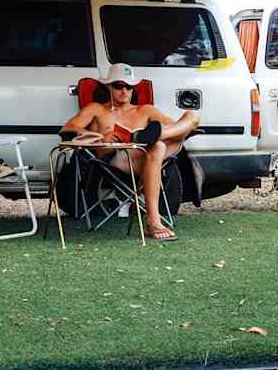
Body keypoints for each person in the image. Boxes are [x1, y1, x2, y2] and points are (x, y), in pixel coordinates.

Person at [60, 62, 199, 242]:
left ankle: (152, 136)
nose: (124, 91)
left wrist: (167, 133)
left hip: (149, 160)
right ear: (109, 86)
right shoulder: (96, 109)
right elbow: (68, 128)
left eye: (129, 86)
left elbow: (176, 125)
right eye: (119, 86)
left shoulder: (145, 109)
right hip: (116, 161)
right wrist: (100, 136)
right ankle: (154, 221)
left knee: (191, 117)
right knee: (159, 146)